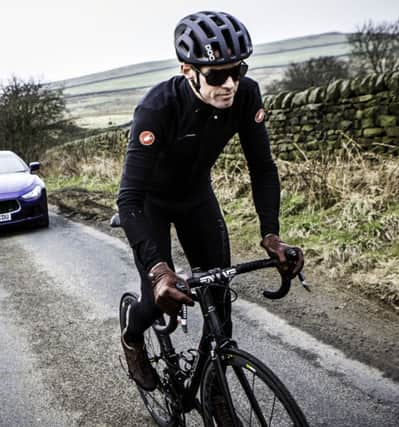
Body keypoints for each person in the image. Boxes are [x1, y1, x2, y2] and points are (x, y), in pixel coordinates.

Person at [117, 10, 304, 393]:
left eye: (239, 71)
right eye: (217, 75)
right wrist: (158, 271)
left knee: (220, 304)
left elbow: (262, 168)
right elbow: (129, 198)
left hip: (196, 198)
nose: (231, 84)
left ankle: (215, 392)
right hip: (150, 205)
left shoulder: (246, 94)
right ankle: (132, 338)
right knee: (155, 301)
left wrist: (272, 235)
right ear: (188, 70)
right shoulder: (156, 110)